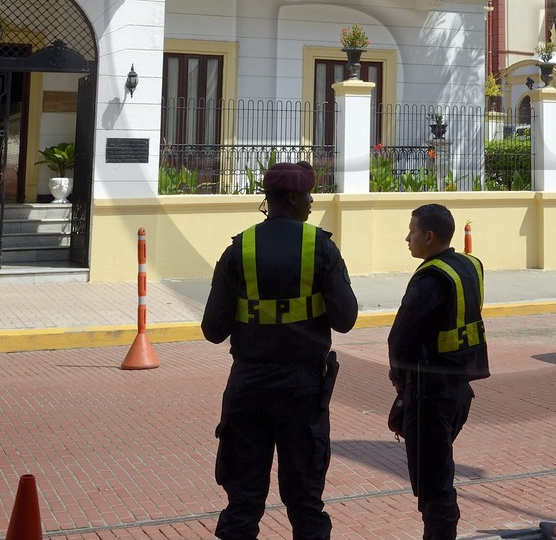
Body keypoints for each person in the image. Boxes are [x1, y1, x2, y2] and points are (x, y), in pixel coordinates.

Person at [201, 162, 359, 540]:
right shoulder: (319, 246)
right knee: (305, 503)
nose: (311, 202)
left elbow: (213, 330)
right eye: (308, 194)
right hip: (302, 393)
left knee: (243, 503)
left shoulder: (240, 248)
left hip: (248, 391)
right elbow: (345, 319)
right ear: (291, 197)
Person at [388, 203, 490, 540]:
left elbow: (401, 338)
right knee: (438, 475)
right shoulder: (469, 265)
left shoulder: (430, 277)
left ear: (429, 236)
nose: (407, 237)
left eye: (412, 230)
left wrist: (401, 384)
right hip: (459, 391)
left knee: (434, 486)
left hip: (430, 396)